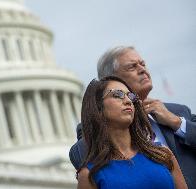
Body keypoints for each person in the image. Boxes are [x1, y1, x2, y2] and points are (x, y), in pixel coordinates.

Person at [70, 46, 196, 188]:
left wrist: (177, 123)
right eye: (132, 67)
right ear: (109, 77)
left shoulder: (179, 112)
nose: (143, 69)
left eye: (143, 64)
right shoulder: (86, 140)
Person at [77, 76, 187, 189]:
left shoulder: (162, 154)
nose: (128, 101)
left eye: (131, 96)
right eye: (117, 94)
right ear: (98, 107)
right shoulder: (88, 175)